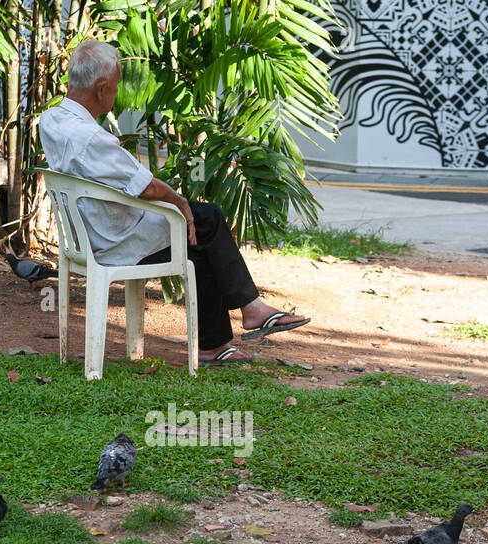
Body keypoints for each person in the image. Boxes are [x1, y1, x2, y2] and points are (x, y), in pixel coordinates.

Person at [38, 40, 309, 366]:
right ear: (101, 88)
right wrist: (180, 202)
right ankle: (250, 310)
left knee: (198, 240)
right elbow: (147, 187)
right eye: (118, 85)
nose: (118, 92)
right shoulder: (92, 138)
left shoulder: (52, 120)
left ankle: (216, 344)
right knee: (205, 218)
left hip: (90, 235)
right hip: (116, 241)